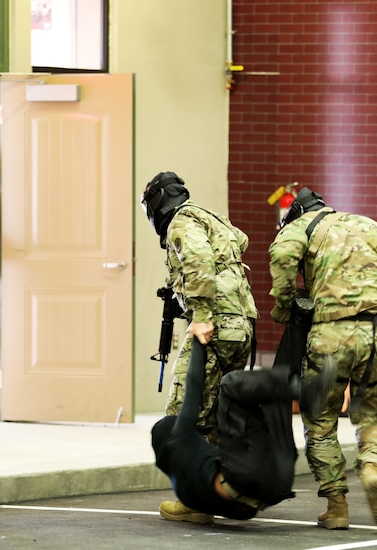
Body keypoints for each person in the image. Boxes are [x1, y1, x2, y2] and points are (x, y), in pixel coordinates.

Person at [268, 187, 377, 530]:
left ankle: (337, 505)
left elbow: (281, 258)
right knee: (375, 412)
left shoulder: (298, 229)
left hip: (331, 337)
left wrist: (285, 307)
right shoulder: (369, 226)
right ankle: (371, 467)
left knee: (320, 420)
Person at [140, 171, 258, 520]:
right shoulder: (209, 217)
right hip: (241, 326)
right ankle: (223, 489)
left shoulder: (180, 223)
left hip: (215, 325)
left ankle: (195, 501)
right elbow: (242, 240)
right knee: (218, 413)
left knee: (183, 413)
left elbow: (199, 261)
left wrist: (202, 314)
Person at [151, 333, 336, 524]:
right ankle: (307, 392)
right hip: (246, 476)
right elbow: (193, 387)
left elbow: (243, 513)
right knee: (232, 385)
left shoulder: (185, 491)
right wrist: (198, 340)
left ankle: (296, 333)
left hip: (274, 487)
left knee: (272, 394)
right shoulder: (177, 440)